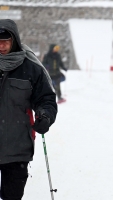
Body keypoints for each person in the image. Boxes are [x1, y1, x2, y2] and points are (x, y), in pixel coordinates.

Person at [0, 19, 57, 199]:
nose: (1, 46)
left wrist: (45, 115)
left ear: (14, 41)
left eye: (6, 41)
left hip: (17, 149)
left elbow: (45, 99)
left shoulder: (31, 69)